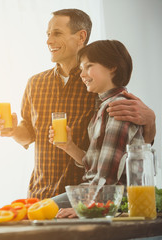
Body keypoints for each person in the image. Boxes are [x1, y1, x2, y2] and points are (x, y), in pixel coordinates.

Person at [0, 9, 156, 204]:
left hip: (85, 197)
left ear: (81, 36)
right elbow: (28, 133)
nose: (49, 41)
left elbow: (127, 144)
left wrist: (151, 121)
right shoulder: (35, 83)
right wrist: (12, 131)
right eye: (48, 34)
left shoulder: (97, 85)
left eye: (57, 33)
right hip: (40, 193)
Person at [48, 40, 144, 217]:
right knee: (39, 211)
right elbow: (96, 166)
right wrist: (68, 146)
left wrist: (87, 208)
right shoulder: (104, 106)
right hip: (96, 191)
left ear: (112, 67)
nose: (81, 74)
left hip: (112, 197)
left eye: (88, 66)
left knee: (43, 214)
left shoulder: (118, 108)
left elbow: (108, 174)